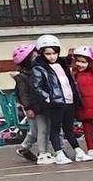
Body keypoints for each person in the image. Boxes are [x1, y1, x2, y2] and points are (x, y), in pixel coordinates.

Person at [27, 33, 77, 165]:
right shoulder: (39, 67)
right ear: (42, 53)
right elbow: (37, 86)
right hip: (55, 103)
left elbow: (68, 82)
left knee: (68, 128)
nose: (52, 56)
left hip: (67, 100)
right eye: (48, 54)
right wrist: (49, 98)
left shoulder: (61, 64)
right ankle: (58, 152)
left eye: (54, 53)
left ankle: (76, 150)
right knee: (54, 129)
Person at [9, 44, 39, 162]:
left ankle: (30, 148)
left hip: (40, 104)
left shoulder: (36, 71)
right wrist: (27, 108)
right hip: (32, 106)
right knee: (35, 130)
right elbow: (23, 94)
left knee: (42, 129)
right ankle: (24, 148)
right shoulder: (23, 76)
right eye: (34, 57)